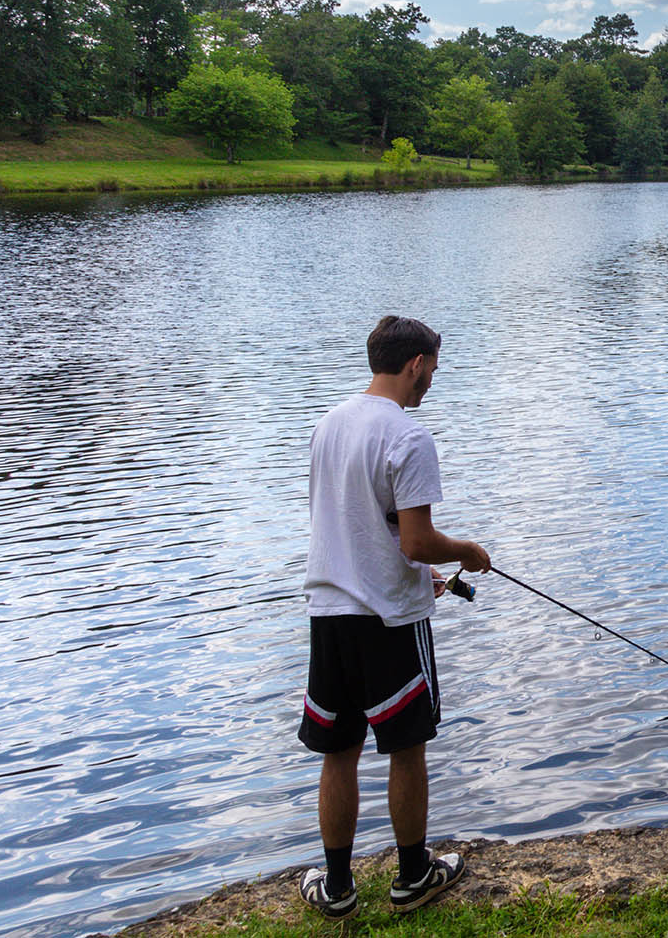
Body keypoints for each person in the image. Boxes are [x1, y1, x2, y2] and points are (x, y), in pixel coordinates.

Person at [295, 315, 491, 917]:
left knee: (341, 750)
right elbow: (416, 542)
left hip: (329, 611)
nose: (432, 378)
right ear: (416, 365)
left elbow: (354, 522)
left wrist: (411, 568)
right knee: (406, 749)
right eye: (433, 366)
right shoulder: (410, 437)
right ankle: (411, 876)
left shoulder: (330, 423)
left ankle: (337, 889)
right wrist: (468, 554)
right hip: (390, 623)